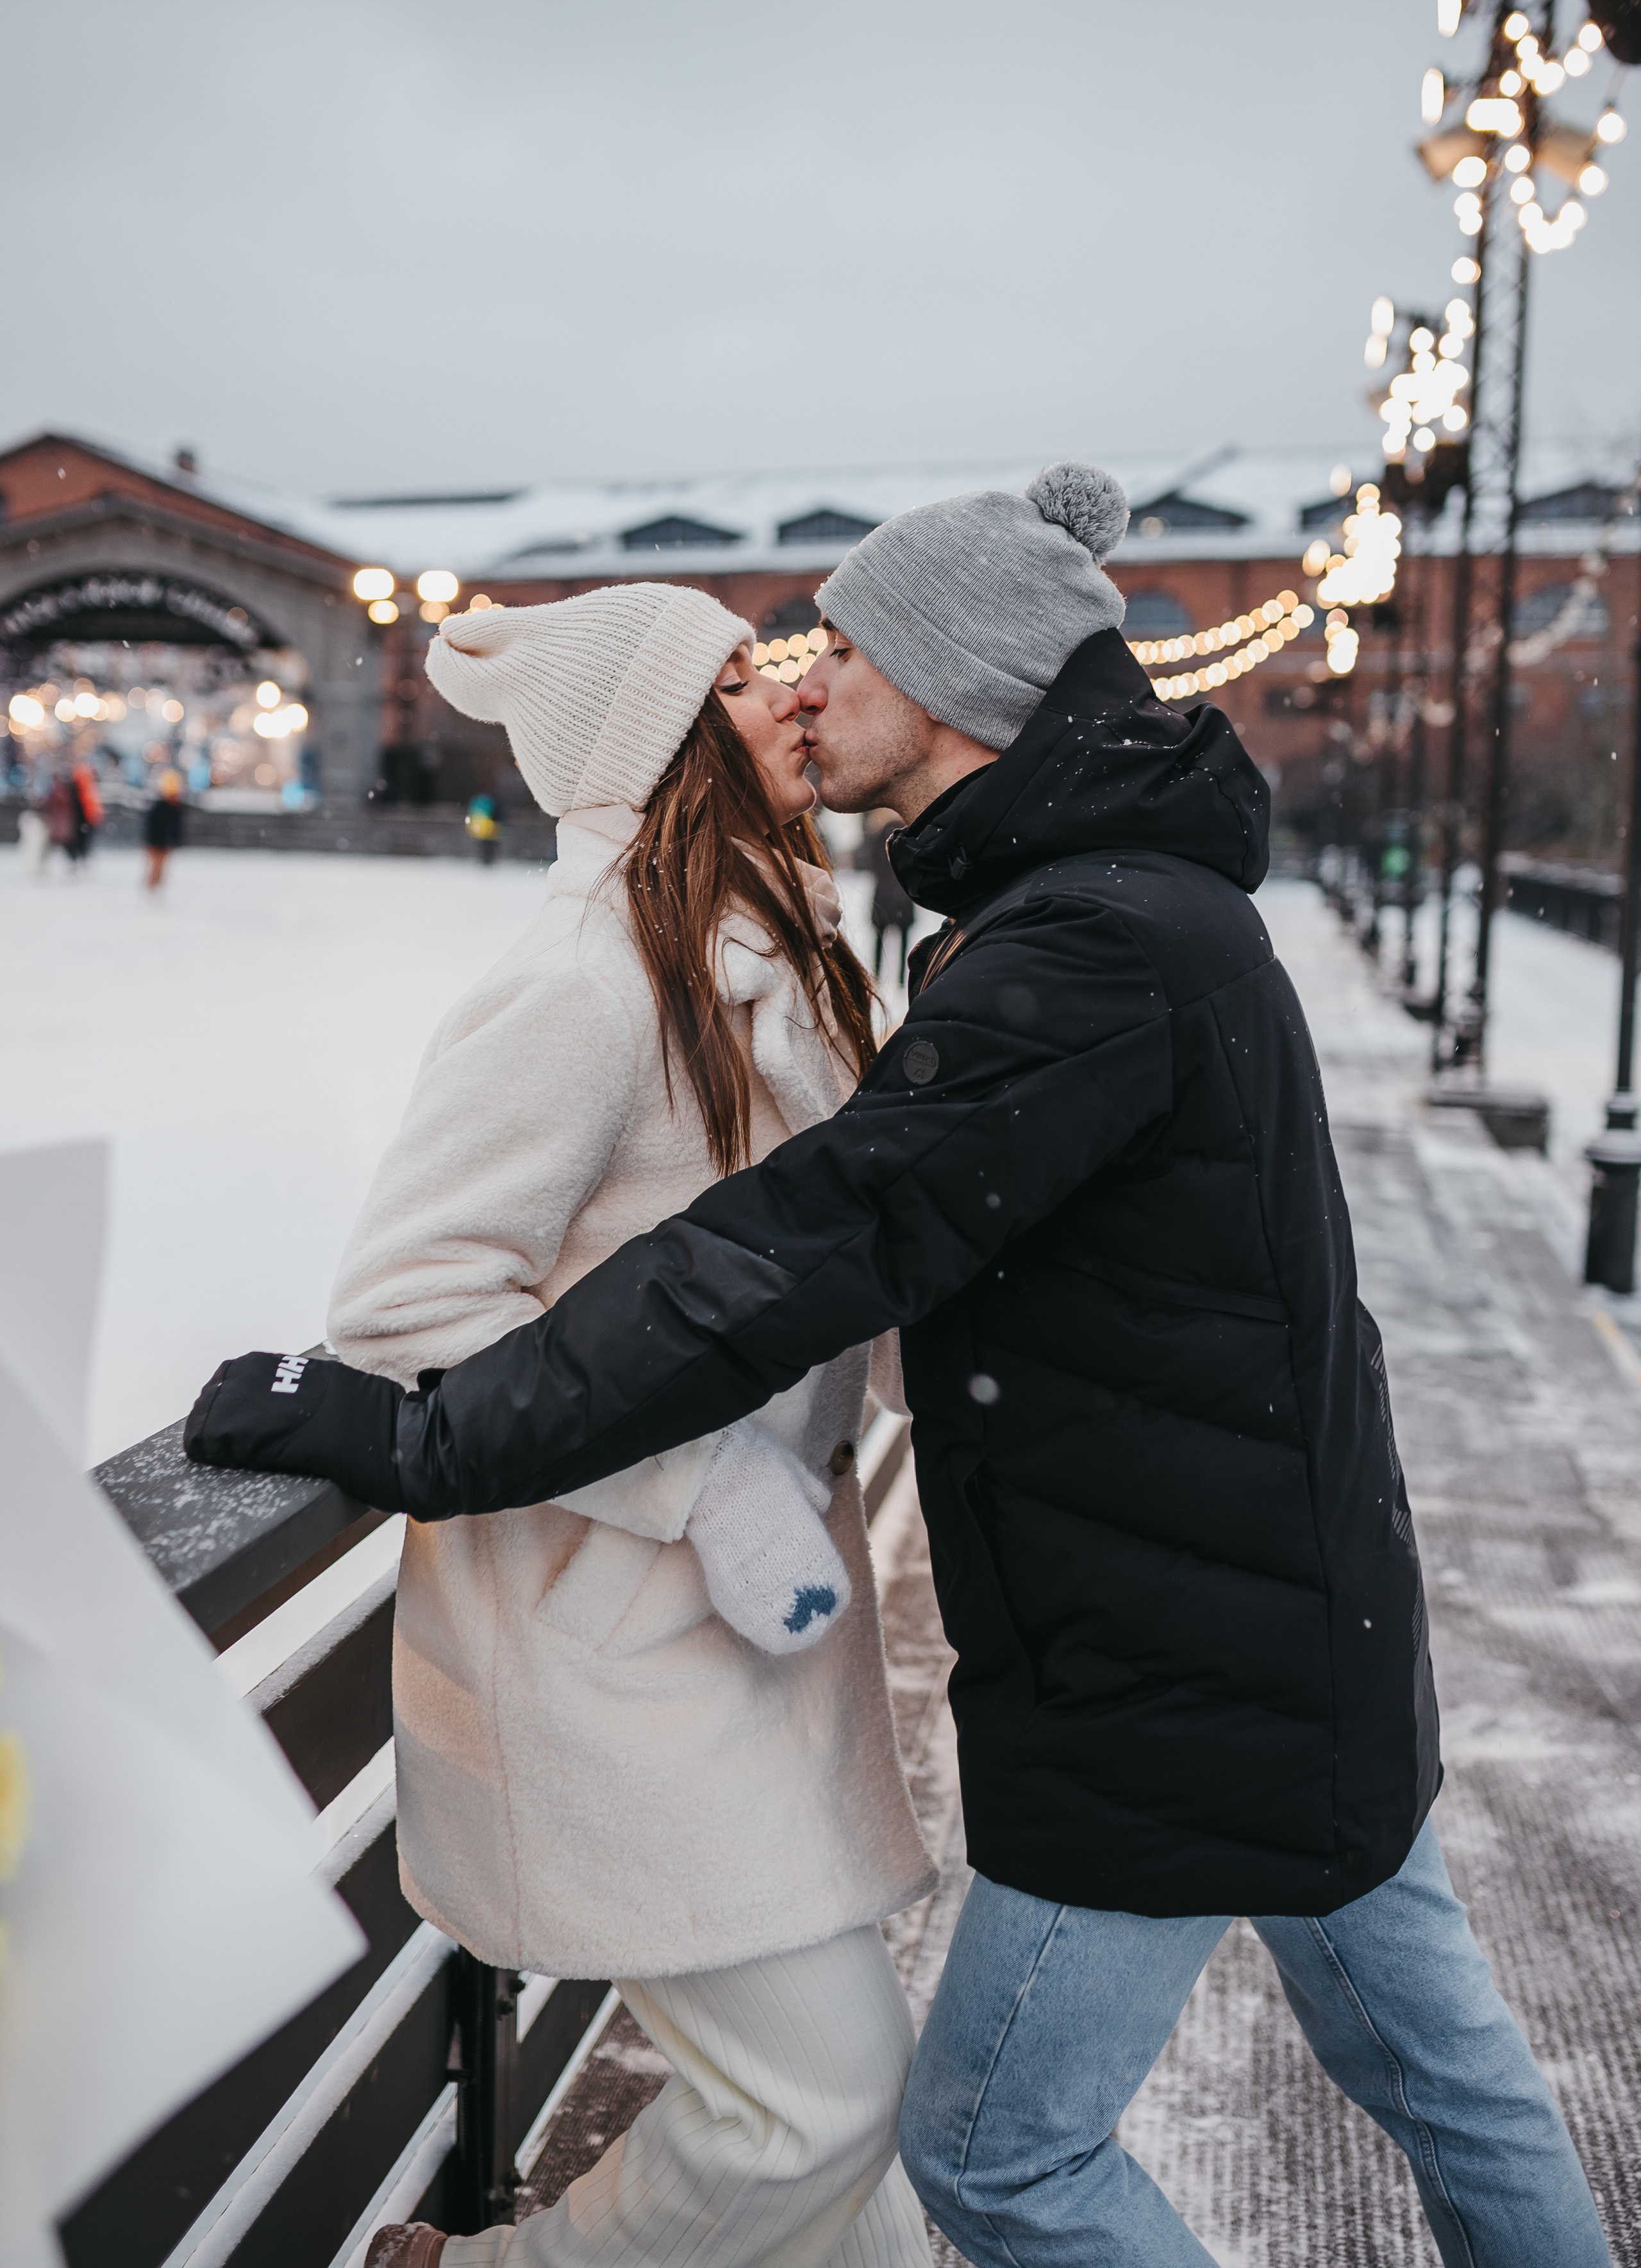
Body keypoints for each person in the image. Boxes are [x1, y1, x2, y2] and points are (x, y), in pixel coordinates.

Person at [190, 467, 1613, 2268]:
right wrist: (462, 1434)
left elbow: (818, 1241)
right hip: (1227, 1618)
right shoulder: (1066, 918)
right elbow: (767, 1257)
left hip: (1178, 1633)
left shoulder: (1053, 940)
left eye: (836, 651)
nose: (803, 682)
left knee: (990, 2143)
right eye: (768, 668)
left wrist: (474, 1438)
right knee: (1391, 2073)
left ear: (943, 687)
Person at [324, 584, 935, 2268]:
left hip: (739, 1639)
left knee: (843, 2166)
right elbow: (400, 1313)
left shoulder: (773, 946)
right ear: (664, 742)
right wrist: (708, 1480)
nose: (796, 690)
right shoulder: (590, 977)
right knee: (822, 2102)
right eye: (742, 682)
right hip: (602, 1638)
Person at [860, 808, 916, 988]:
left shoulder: (880, 833)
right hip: (904, 893)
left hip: (883, 895)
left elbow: (872, 861)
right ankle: (901, 978)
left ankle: (877, 975)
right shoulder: (909, 833)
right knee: (903, 940)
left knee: (879, 938)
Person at [143, 771, 187, 891]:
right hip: (157, 842)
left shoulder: (175, 809)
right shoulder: (161, 808)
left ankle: (156, 886)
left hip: (164, 842)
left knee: (161, 866)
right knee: (156, 866)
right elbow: (154, 826)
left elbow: (176, 827)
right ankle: (151, 886)